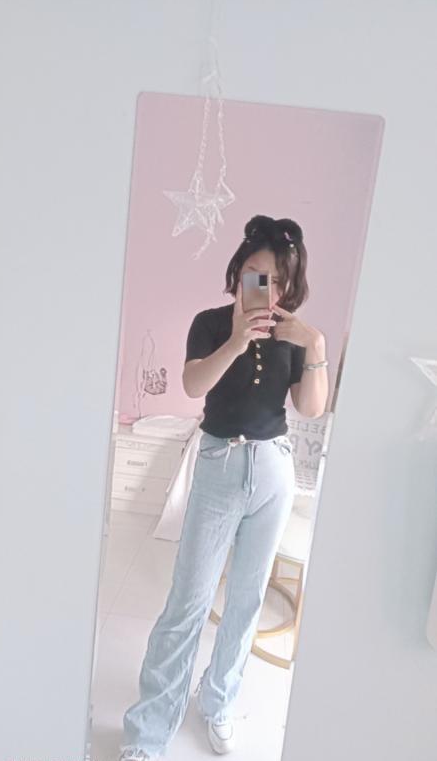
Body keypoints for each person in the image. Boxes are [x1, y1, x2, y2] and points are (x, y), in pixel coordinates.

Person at [118, 215, 329, 760]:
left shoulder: (294, 336)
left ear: (290, 286)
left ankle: (219, 701)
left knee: (247, 600)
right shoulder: (210, 324)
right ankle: (148, 732)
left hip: (273, 468)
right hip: (219, 461)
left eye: (278, 281)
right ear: (238, 271)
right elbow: (193, 385)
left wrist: (316, 344)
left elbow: (310, 408)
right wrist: (237, 340)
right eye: (257, 274)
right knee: (189, 600)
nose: (266, 289)